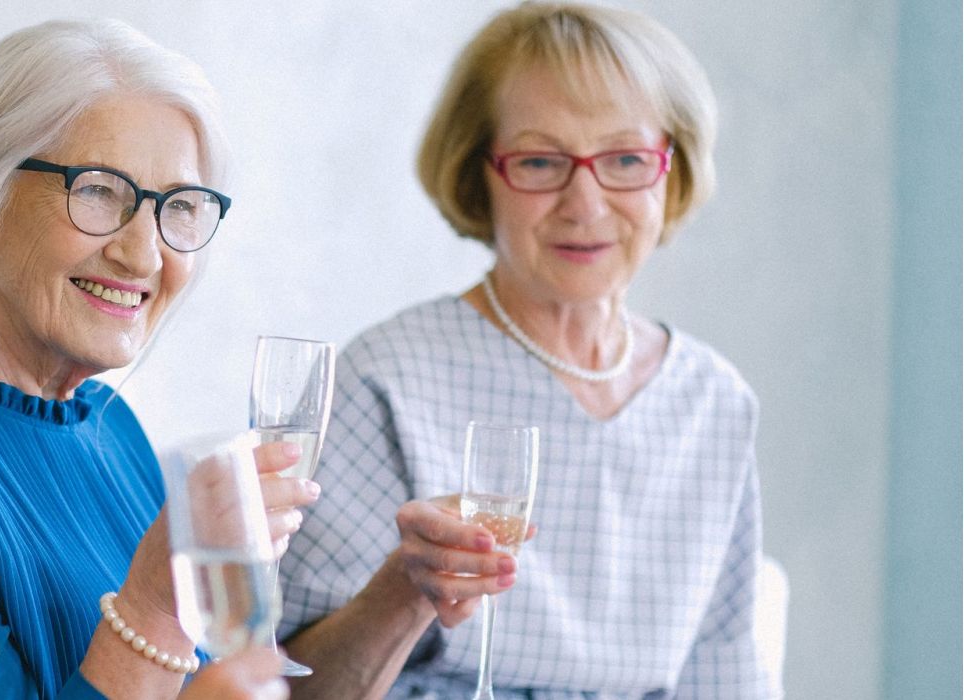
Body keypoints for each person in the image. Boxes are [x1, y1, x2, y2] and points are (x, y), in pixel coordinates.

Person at [277, 3, 779, 699]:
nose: (585, 202)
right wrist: (405, 592)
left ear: (673, 171)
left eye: (626, 159)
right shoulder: (388, 377)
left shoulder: (713, 402)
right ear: (478, 173)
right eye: (541, 161)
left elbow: (726, 678)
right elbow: (290, 690)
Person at [0, 18, 304, 700]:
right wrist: (153, 612)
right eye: (99, 190)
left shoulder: (110, 424)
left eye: (180, 206)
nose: (143, 255)